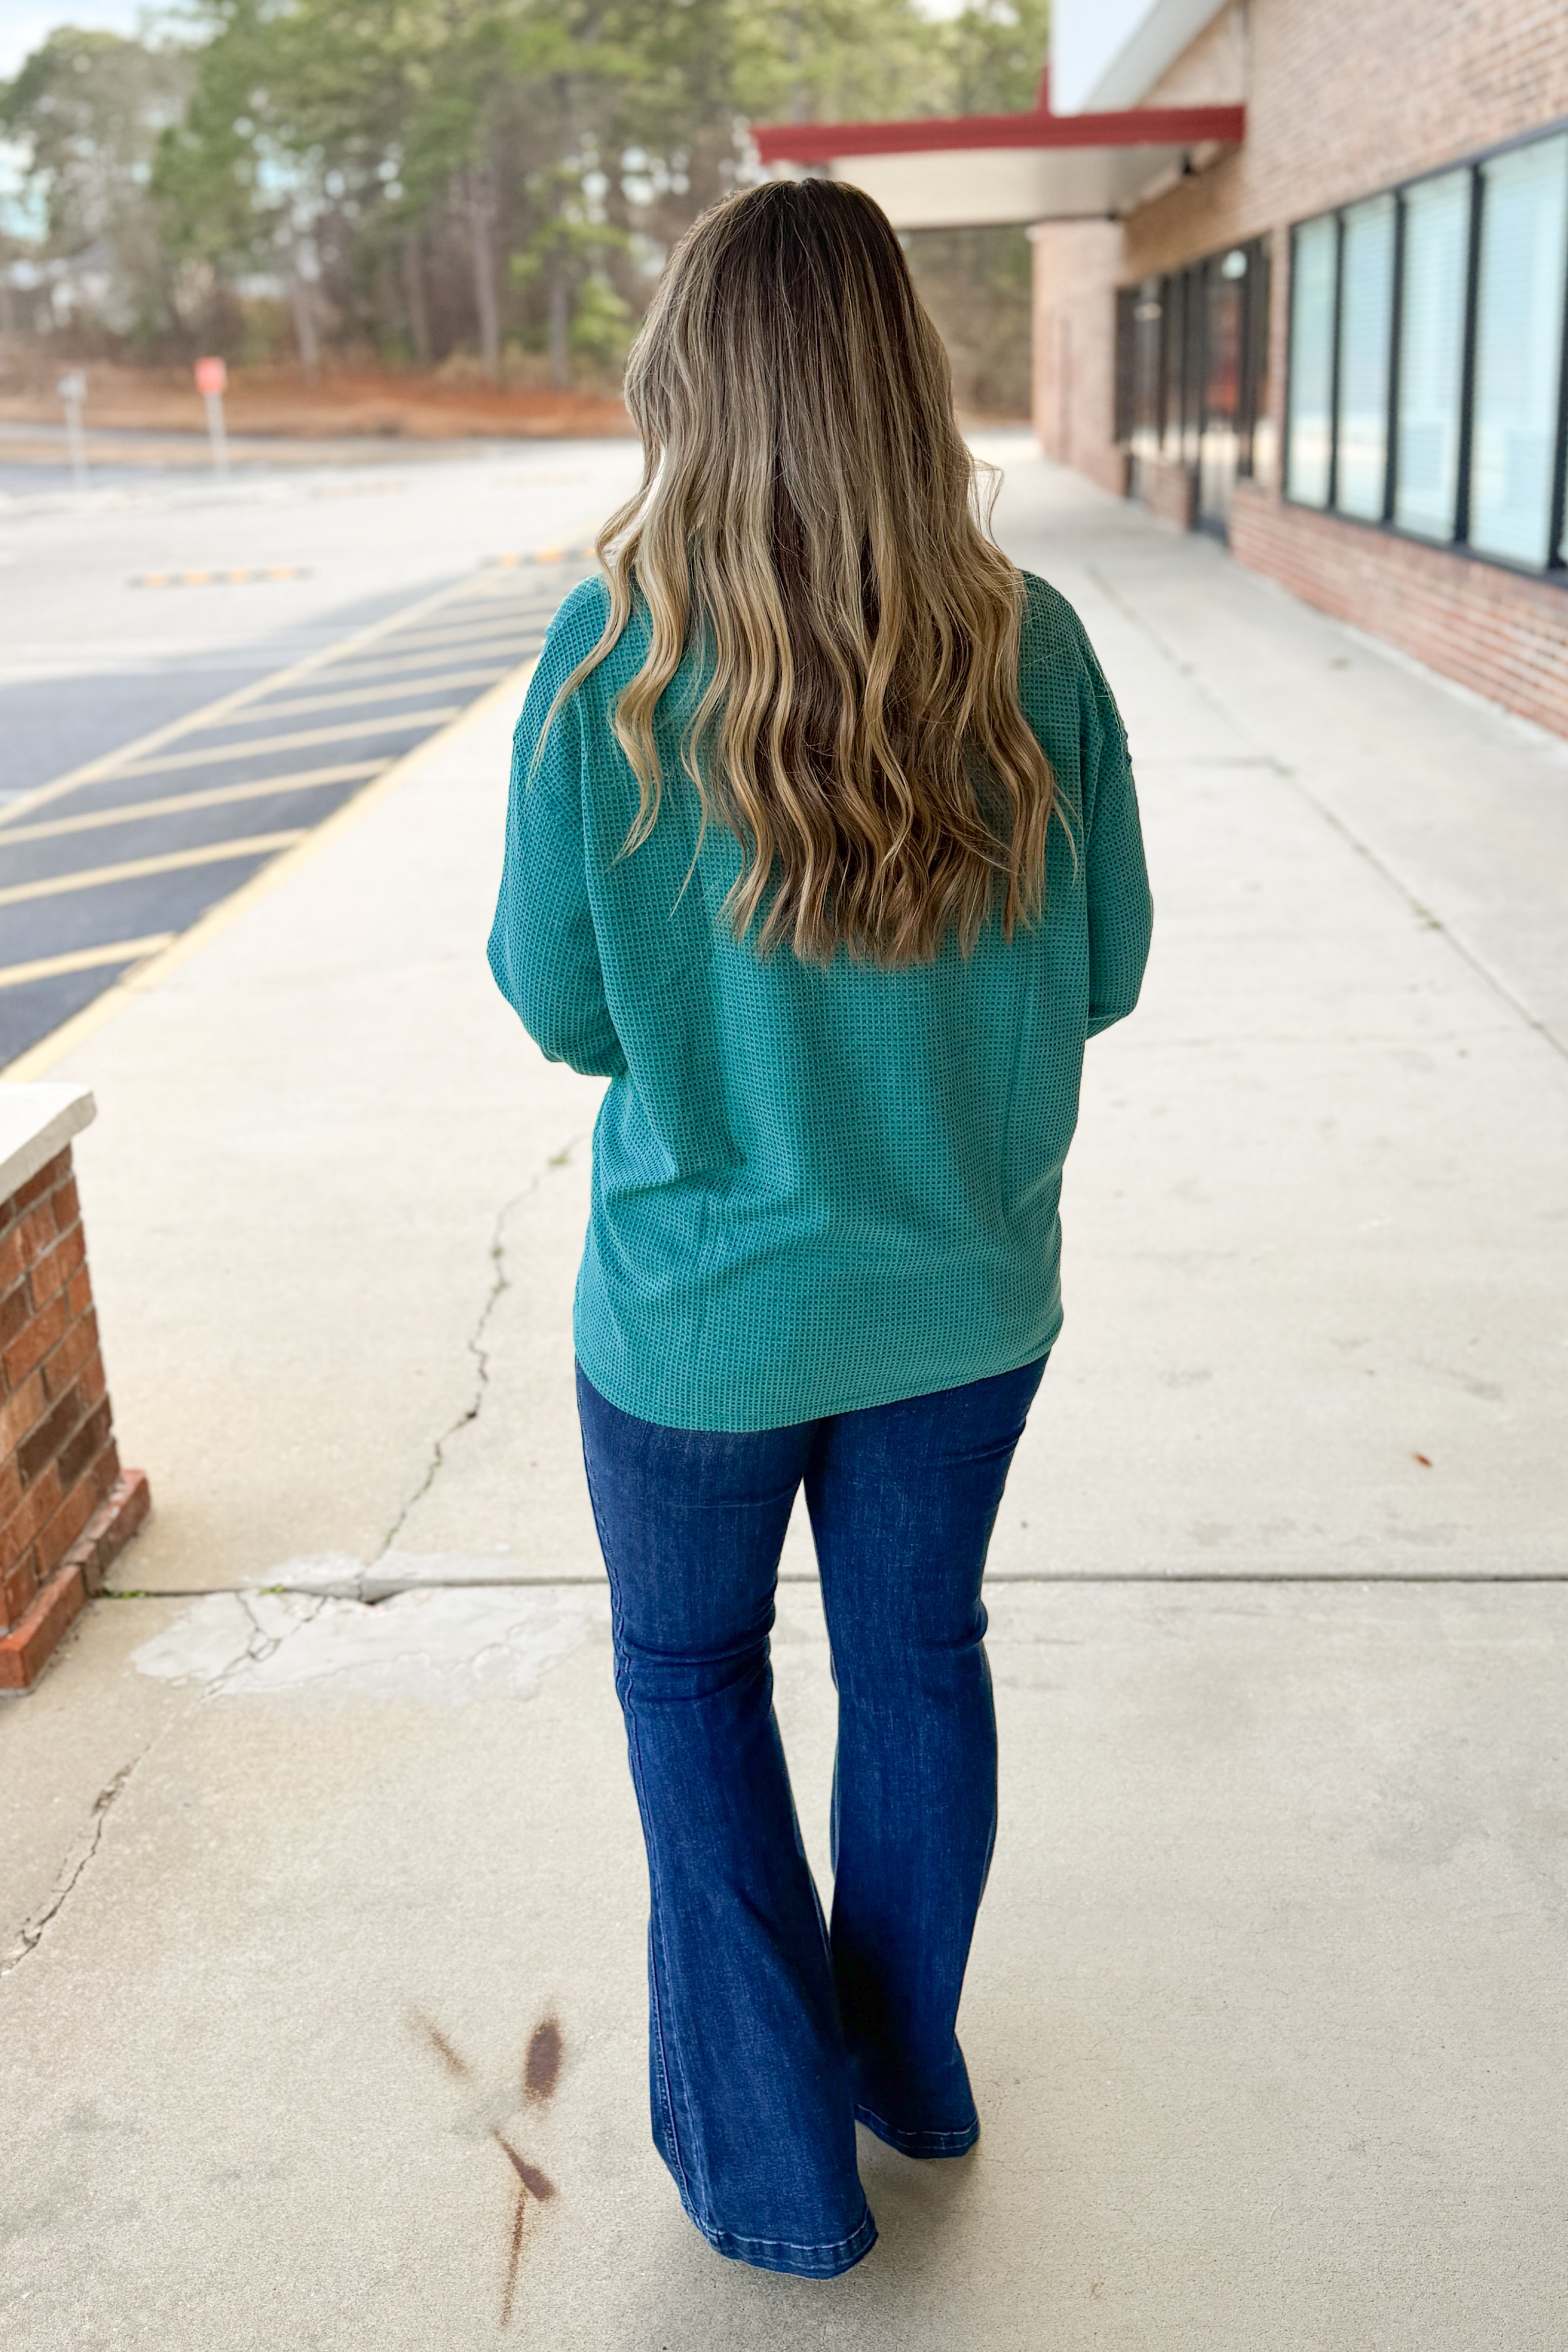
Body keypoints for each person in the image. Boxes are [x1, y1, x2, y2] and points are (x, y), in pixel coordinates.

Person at [488, 177, 1151, 2281]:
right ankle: (910, 2068)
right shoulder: (1025, 643)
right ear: (899, 374)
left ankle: (779, 2187)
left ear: (697, 374)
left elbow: (560, 1000)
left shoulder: (609, 658)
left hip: (695, 1326)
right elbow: (1109, 962)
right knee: (918, 1660)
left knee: (694, 1685)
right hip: (960, 1291)